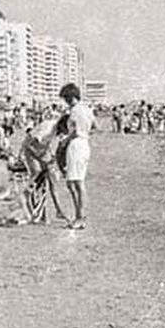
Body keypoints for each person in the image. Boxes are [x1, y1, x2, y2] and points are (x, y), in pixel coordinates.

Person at [58, 83, 93, 229]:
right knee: (77, 182)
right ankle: (80, 215)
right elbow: (94, 127)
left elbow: (73, 132)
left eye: (66, 98)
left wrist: (64, 141)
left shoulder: (74, 111)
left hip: (76, 145)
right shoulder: (87, 109)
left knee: (75, 183)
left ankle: (80, 216)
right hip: (85, 144)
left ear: (70, 97)